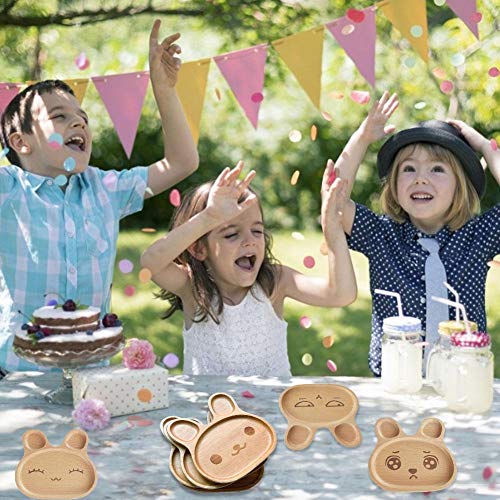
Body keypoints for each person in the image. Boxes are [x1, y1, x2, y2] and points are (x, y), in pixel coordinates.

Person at [0, 20, 199, 374]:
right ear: (21, 142)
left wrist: (164, 89)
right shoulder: (9, 188)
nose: (79, 124)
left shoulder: (106, 190)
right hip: (18, 373)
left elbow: (182, 162)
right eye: (59, 117)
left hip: (93, 372)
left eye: (83, 118)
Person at [325, 90, 500, 376]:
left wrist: (483, 145)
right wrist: (363, 137)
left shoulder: (477, 237)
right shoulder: (381, 236)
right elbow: (334, 199)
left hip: (464, 376)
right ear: (393, 185)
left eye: (437, 169)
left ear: (460, 186)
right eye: (409, 169)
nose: (420, 178)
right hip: (396, 379)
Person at [141, 161, 357, 376]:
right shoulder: (192, 289)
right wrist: (209, 218)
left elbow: (340, 294)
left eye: (257, 231)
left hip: (270, 408)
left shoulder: (275, 281)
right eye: (231, 234)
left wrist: (333, 229)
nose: (249, 241)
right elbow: (151, 263)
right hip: (211, 408)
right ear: (198, 249)